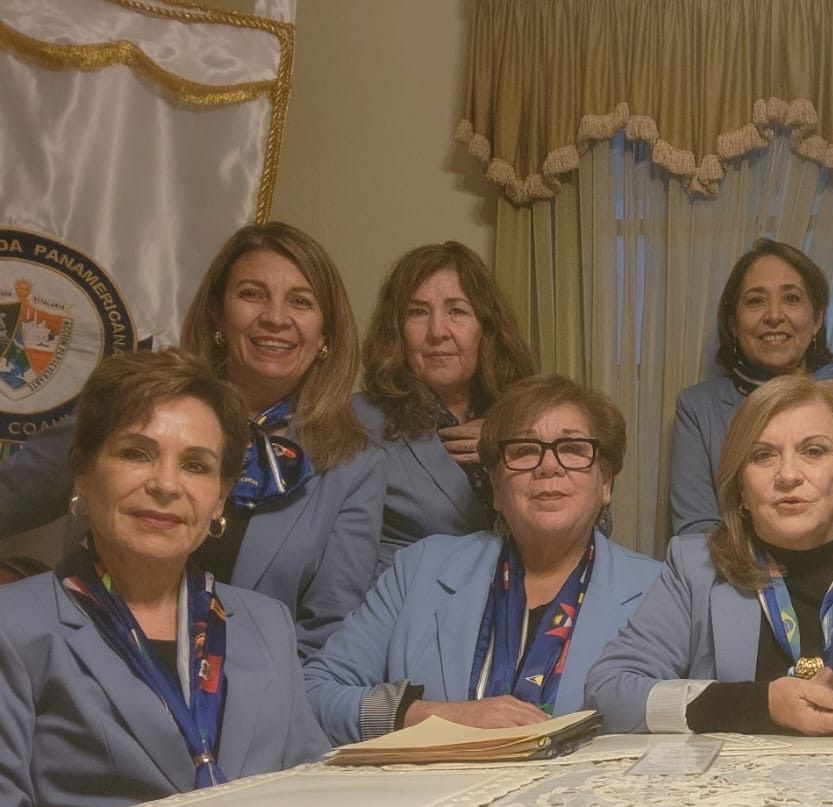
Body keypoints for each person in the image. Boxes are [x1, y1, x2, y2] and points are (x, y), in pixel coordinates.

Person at [0, 222, 384, 657]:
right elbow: (11, 494)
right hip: (83, 670)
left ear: (326, 334)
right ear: (218, 313)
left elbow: (327, 636)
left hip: (241, 706)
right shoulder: (133, 398)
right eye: (252, 294)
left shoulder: (355, 465)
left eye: (300, 301)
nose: (276, 318)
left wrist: (252, 709)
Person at [0, 350, 329, 807]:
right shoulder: (14, 628)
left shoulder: (268, 624)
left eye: (196, 465)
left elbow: (317, 806)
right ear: (83, 472)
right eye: (136, 453)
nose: (166, 485)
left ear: (220, 497)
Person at [305, 375, 661, 744]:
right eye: (524, 450)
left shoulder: (659, 591)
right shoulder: (420, 569)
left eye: (571, 448)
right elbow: (315, 693)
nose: (548, 467)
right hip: (437, 797)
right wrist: (432, 716)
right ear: (496, 488)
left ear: (606, 483)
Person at [588, 374, 833, 734]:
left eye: (813, 451)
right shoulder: (695, 568)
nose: (788, 474)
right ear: (741, 490)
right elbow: (608, 693)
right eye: (763, 456)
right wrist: (758, 704)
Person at [669, 239, 833, 535]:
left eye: (791, 299)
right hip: (739, 575)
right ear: (732, 323)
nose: (774, 315)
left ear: (816, 318)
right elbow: (697, 531)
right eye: (755, 301)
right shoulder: (700, 409)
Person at [357, 241, 538, 569]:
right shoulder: (358, 421)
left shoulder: (527, 415)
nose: (437, 332)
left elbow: (592, 523)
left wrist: (516, 449)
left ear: (486, 328)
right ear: (396, 329)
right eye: (417, 312)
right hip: (407, 611)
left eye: (457, 311)